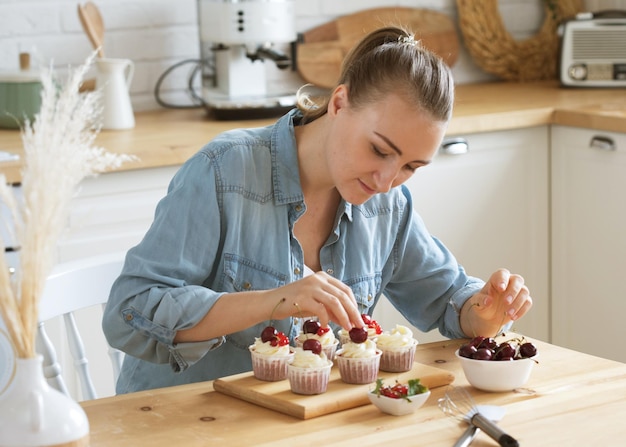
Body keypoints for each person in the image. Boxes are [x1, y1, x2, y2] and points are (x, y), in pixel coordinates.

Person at [102, 26, 533, 394]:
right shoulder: (225, 171)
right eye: (379, 150)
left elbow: (448, 299)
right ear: (339, 103)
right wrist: (272, 302)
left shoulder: (388, 205)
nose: (386, 180)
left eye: (410, 167)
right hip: (179, 426)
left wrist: (484, 313)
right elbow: (130, 311)